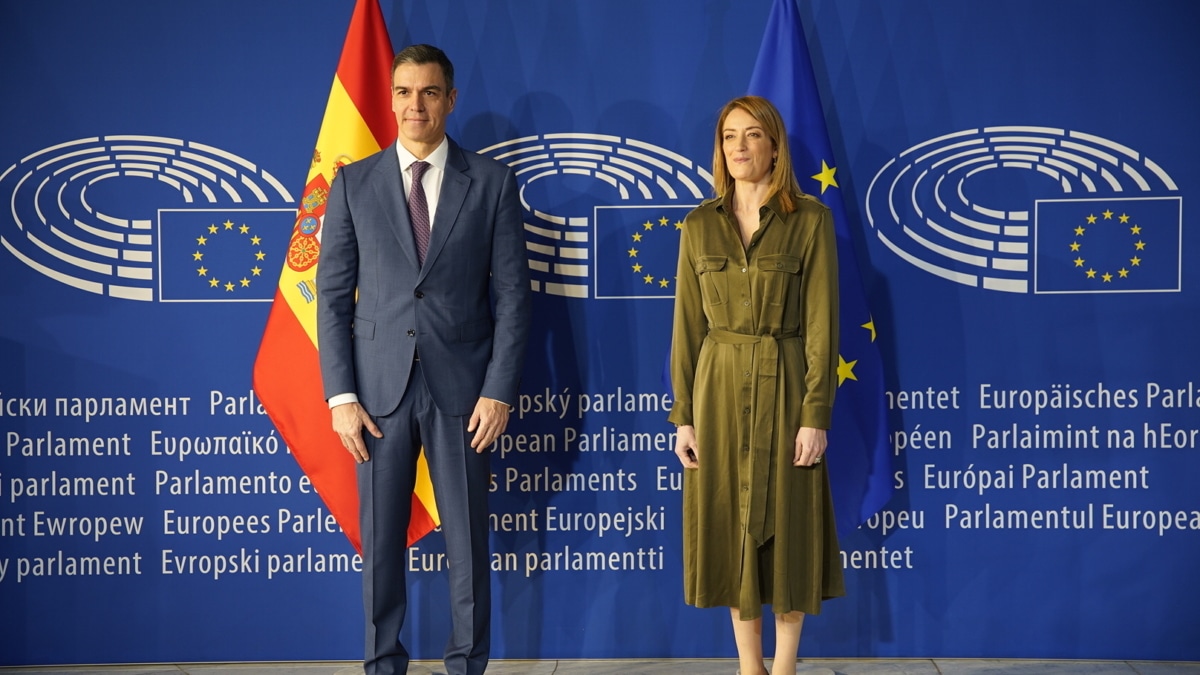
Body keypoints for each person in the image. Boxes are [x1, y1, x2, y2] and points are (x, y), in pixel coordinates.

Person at [316, 44, 531, 675]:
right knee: (381, 546)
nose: (417, 105)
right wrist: (340, 396)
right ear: (390, 99)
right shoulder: (354, 183)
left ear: (450, 100)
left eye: (430, 92)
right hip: (376, 393)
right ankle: (383, 665)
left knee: (467, 542)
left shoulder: (490, 182)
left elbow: (514, 299)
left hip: (465, 394)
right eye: (405, 92)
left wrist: (498, 390)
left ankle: (467, 664)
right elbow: (331, 296)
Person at [668, 95, 845, 675]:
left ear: (774, 145)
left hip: (788, 385)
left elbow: (822, 326)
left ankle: (786, 665)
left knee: (790, 528)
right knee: (731, 527)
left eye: (751, 135)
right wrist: (683, 416)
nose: (739, 147)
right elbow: (686, 330)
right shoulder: (698, 225)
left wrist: (815, 414)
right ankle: (750, 666)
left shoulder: (811, 220)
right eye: (728, 137)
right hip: (717, 394)